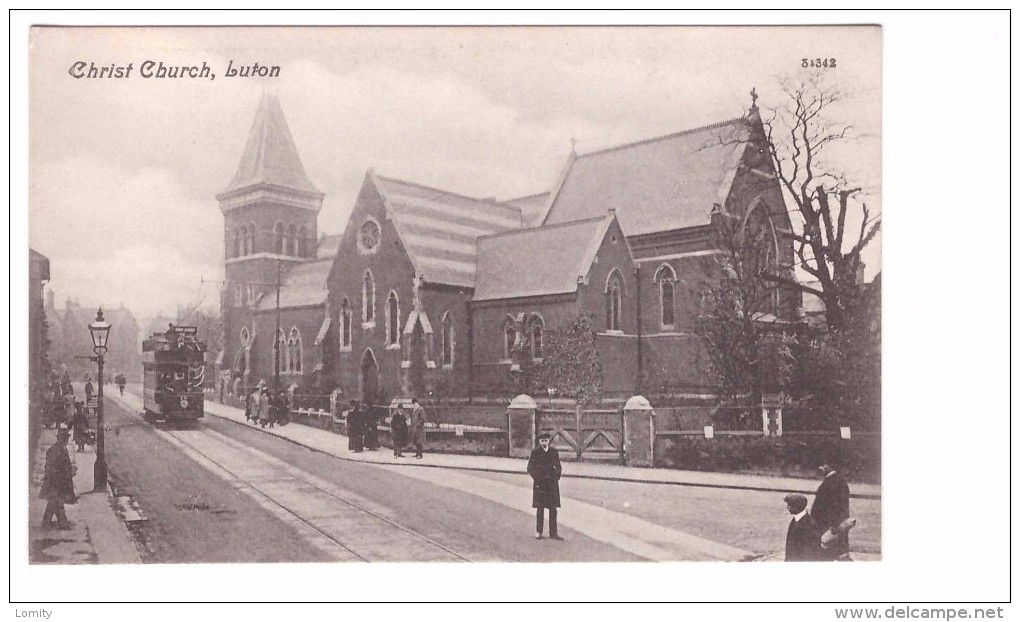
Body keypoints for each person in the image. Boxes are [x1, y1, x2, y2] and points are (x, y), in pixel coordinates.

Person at [811, 459, 851, 561]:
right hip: (829, 524)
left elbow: (837, 506)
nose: (820, 468)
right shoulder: (835, 481)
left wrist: (833, 526)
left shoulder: (835, 482)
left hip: (828, 525)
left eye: (823, 465)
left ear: (829, 466)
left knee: (829, 554)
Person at [528, 432, 563, 540]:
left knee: (553, 509)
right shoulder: (535, 452)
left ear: (549, 441)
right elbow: (530, 468)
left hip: (552, 485)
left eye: (546, 440)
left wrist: (556, 477)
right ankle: (539, 531)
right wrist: (537, 478)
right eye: (542, 441)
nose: (544, 442)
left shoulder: (553, 452)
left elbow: (558, 466)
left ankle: (553, 533)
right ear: (539, 442)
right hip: (540, 485)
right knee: (540, 509)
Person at [39, 428, 76, 530]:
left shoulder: (62, 449)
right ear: (61, 439)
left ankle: (49, 522)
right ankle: (61, 522)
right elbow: (51, 468)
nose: (67, 440)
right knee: (56, 501)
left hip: (59, 481)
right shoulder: (54, 451)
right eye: (65, 438)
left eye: (67, 438)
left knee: (54, 502)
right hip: (56, 481)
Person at [784, 493, 821, 561]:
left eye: (789, 505)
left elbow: (810, 552)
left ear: (796, 507)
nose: (787, 507)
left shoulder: (810, 525)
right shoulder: (796, 520)